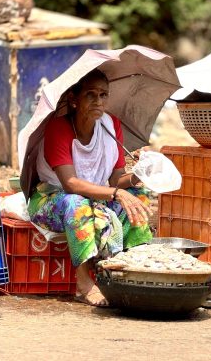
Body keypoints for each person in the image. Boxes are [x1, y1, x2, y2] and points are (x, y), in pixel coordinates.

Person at [27, 69, 153, 306]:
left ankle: (135, 264)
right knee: (77, 204)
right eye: (90, 95)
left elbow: (116, 180)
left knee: (139, 197)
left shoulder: (110, 126)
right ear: (74, 99)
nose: (98, 101)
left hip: (94, 195)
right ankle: (83, 283)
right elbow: (70, 184)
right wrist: (117, 193)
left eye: (104, 95)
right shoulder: (58, 129)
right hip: (52, 198)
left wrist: (139, 175)